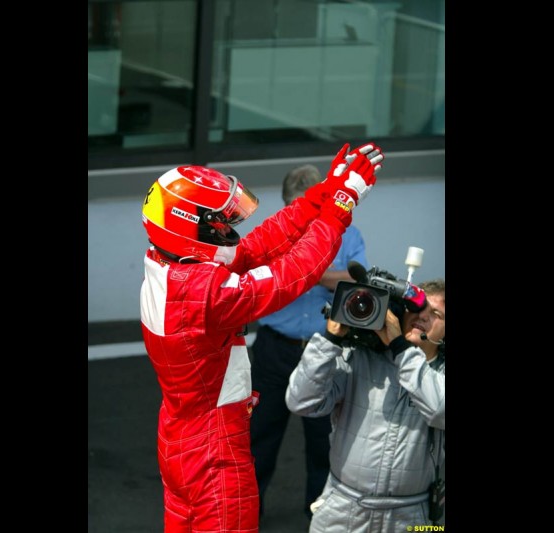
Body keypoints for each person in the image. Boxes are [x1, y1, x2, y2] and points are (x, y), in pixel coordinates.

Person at [139, 142, 384, 532]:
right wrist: (339, 209)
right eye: (218, 222)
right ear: (189, 223)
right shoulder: (203, 292)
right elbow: (292, 274)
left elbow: (257, 248)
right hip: (213, 448)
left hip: (181, 436)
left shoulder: (171, 264)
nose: (227, 229)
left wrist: (319, 198)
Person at [249, 163, 369, 520]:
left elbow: (356, 279)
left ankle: (320, 517)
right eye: (294, 207)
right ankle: (247, 516)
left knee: (323, 441)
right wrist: (320, 275)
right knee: (259, 436)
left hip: (325, 349)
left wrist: (309, 272)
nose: (303, 216)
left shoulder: (349, 234)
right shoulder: (275, 233)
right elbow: (261, 275)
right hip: (274, 347)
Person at [285, 279, 445, 532]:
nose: (422, 316)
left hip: (413, 516)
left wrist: (400, 349)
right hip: (342, 505)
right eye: (417, 307)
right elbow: (301, 402)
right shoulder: (360, 355)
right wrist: (330, 340)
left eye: (436, 314)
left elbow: (439, 409)